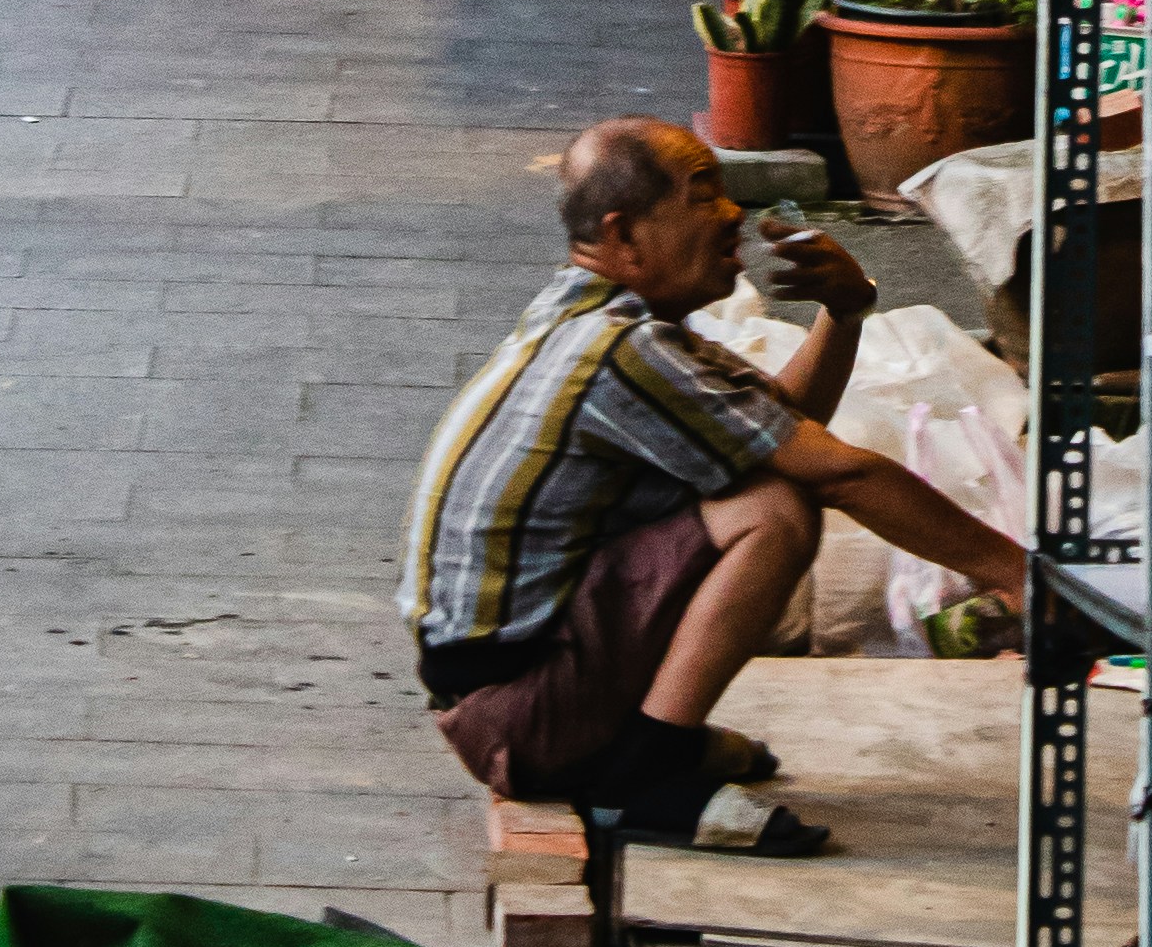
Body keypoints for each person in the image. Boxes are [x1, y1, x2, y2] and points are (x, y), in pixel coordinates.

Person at [403, 116, 1029, 857]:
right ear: (624, 234)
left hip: (507, 694)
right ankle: (644, 772)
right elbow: (840, 471)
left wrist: (847, 309)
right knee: (774, 509)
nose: (733, 213)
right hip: (519, 715)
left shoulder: (596, 317)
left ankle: (644, 742)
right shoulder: (624, 349)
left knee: (769, 483)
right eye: (702, 196)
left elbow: (778, 428)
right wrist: (1023, 578)